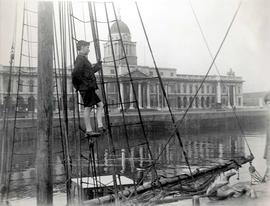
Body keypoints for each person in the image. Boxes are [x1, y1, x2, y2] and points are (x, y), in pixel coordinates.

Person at [72, 40, 105, 137]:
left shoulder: (83, 59)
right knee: (88, 108)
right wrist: (85, 84)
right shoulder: (80, 59)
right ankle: (89, 130)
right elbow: (75, 73)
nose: (89, 50)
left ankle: (100, 125)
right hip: (86, 88)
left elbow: (89, 73)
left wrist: (97, 67)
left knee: (100, 105)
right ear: (82, 47)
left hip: (88, 88)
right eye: (87, 47)